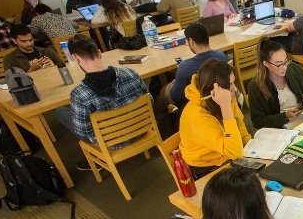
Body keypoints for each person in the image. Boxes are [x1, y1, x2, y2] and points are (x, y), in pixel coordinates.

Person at [54, 34, 148, 170]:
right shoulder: (130, 73)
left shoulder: (80, 94)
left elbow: (84, 131)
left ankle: (98, 157)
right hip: (141, 127)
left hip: (111, 143)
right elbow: (148, 99)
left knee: (60, 111)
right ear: (99, 52)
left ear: (75, 58)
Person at [178, 59, 251, 178]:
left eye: (234, 83)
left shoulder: (226, 95)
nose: (235, 89)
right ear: (214, 91)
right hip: (207, 166)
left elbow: (238, 124)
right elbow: (235, 153)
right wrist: (225, 106)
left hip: (227, 154)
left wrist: (249, 145)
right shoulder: (197, 117)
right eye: (230, 85)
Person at [154, 22, 229, 122]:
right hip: (219, 100)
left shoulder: (185, 66)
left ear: (191, 41)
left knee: (165, 90)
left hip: (198, 104)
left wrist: (179, 74)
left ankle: (159, 120)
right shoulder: (221, 55)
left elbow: (176, 95)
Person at [248, 38, 303, 129]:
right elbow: (258, 122)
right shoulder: (255, 86)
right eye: (279, 64)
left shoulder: (296, 70)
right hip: (280, 128)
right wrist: (285, 116)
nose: (284, 67)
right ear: (266, 63)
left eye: (285, 62)